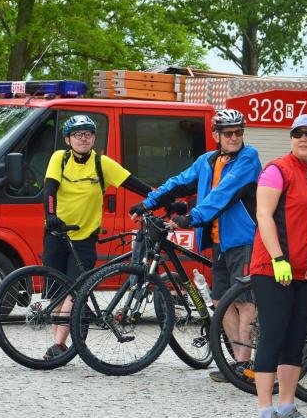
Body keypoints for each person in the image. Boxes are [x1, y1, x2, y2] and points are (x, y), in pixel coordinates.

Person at [130, 109, 261, 382]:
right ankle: (236, 365)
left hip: (244, 240)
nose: (234, 137)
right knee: (221, 301)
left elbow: (222, 195)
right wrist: (147, 202)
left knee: (244, 302)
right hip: (219, 241)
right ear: (216, 135)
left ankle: (243, 364)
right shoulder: (207, 161)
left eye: (238, 132)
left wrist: (192, 217)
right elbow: (178, 183)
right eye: (228, 133)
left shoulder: (248, 158)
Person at [249, 114, 307, 418]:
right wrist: (278, 258)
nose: (303, 138)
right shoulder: (277, 170)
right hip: (273, 269)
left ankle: (287, 407)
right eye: (297, 133)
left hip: (306, 273)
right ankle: (265, 411)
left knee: (296, 338)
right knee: (273, 335)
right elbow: (264, 215)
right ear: (291, 138)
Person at [42, 115, 152, 359]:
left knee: (75, 290)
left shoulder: (102, 164)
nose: (83, 138)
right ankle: (59, 345)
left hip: (85, 238)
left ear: (93, 138)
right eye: (77, 134)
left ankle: (59, 345)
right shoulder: (59, 158)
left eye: (88, 134)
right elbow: (49, 189)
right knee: (56, 291)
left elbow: (135, 184)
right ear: (68, 140)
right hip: (57, 233)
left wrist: (161, 198)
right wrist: (50, 215)